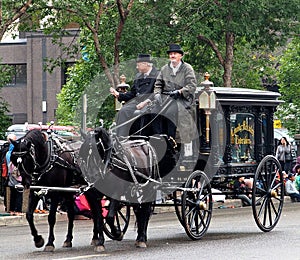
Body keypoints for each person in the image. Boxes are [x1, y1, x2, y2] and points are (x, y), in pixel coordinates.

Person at [153, 43, 197, 140]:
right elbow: (158, 84)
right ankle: (158, 139)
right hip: (167, 99)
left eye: (175, 54)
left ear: (180, 56)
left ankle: (174, 141)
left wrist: (180, 92)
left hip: (183, 100)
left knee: (174, 113)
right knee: (153, 112)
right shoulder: (165, 69)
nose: (172, 56)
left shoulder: (187, 68)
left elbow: (192, 85)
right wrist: (157, 94)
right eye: (171, 54)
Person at [110, 54, 159, 136]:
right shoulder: (138, 76)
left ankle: (141, 137)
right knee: (123, 111)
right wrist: (119, 94)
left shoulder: (158, 75)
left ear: (145, 64)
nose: (137, 67)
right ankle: (121, 138)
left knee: (142, 113)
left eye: (138, 65)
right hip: (137, 102)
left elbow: (158, 92)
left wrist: (145, 102)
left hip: (151, 103)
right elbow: (132, 93)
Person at [6, 133, 23, 214]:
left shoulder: (7, 152)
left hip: (10, 174)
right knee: (19, 192)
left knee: (13, 193)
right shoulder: (15, 152)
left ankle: (12, 209)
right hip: (17, 174)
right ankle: (18, 210)